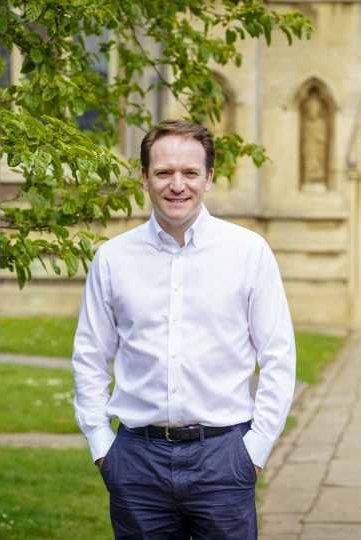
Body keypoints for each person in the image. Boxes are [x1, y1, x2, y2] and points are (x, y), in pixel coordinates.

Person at [71, 119, 297, 539]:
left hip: (224, 457)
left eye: (190, 173)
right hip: (136, 461)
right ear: (144, 177)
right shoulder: (113, 259)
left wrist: (256, 450)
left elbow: (279, 357)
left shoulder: (248, 253)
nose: (177, 185)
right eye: (163, 173)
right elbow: (89, 356)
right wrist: (102, 445)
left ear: (209, 177)